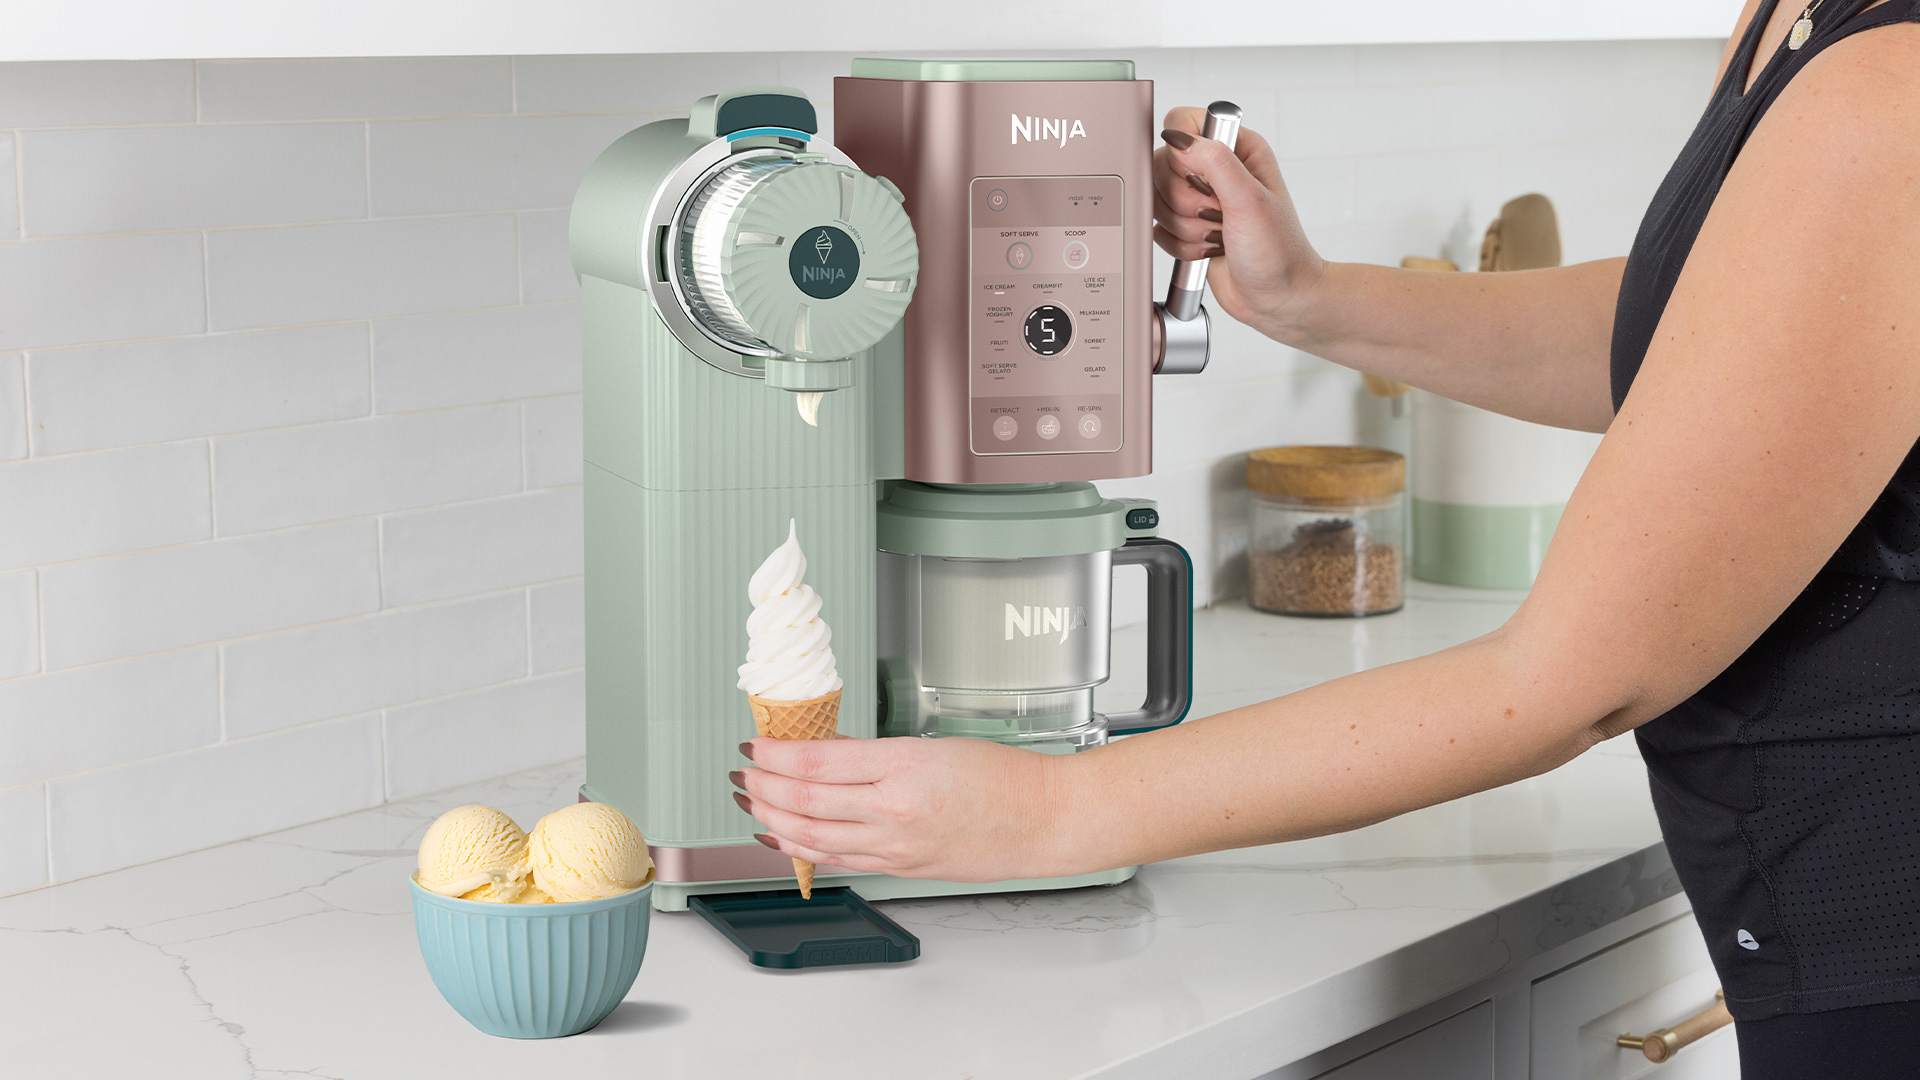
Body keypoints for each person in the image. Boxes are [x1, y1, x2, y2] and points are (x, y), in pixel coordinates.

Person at [731, 1, 1920, 1073]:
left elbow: (1573, 680)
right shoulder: (1803, 18)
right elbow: (1726, 327)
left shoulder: (1891, 85)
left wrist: (1051, 813)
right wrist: (1312, 295)